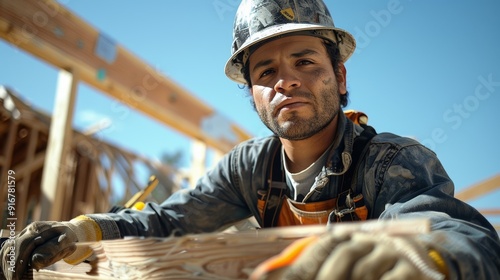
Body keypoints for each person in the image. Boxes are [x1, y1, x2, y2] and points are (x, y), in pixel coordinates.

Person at [2, 0, 500, 279]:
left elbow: (459, 234)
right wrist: (83, 230)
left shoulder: (391, 161)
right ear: (253, 95)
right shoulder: (251, 169)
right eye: (266, 71)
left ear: (340, 77)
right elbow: (169, 220)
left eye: (305, 61)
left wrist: (430, 261)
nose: (285, 80)